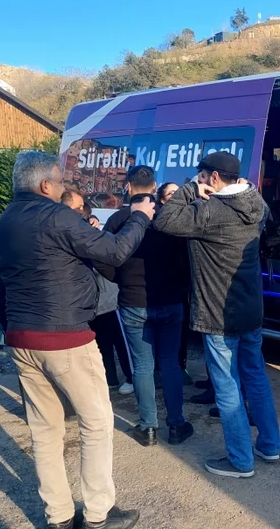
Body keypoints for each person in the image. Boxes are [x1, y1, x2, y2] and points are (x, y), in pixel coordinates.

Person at [0, 151, 153, 529]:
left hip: (22, 339)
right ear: (45, 185)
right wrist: (140, 216)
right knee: (97, 423)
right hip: (65, 336)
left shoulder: (1, 224)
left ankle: (59, 516)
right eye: (60, 181)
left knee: (45, 431)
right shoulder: (57, 216)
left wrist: (14, 330)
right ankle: (98, 515)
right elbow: (114, 251)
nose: (63, 187)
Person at [155, 152, 280, 478]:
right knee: (255, 376)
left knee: (227, 387)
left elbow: (164, 220)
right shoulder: (255, 204)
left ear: (212, 178)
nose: (198, 181)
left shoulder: (209, 212)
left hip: (218, 314)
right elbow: (255, 200)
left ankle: (240, 460)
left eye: (200, 176)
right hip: (251, 309)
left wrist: (188, 189)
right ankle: (269, 444)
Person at [97, 166, 193, 447]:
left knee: (142, 366)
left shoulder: (117, 220)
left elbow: (103, 260)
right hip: (171, 300)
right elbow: (187, 259)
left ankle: (148, 426)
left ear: (128, 187)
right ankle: (176, 424)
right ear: (154, 187)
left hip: (133, 302)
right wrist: (181, 287)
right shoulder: (169, 217)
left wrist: (123, 280)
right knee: (170, 363)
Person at [62, 189, 133, 395]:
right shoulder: (71, 232)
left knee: (120, 341)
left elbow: (106, 259)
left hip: (108, 299)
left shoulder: (92, 232)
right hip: (93, 302)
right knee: (103, 343)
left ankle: (130, 377)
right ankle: (110, 378)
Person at [157, 181, 194, 386]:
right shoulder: (159, 222)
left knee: (181, 331)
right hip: (162, 286)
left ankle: (180, 366)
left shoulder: (189, 219)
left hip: (182, 286)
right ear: (162, 200)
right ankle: (160, 370)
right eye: (171, 194)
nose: (177, 196)